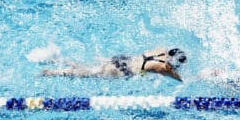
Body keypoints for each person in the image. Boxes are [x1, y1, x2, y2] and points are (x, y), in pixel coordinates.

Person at [41, 47, 187, 81]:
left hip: (121, 59)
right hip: (121, 71)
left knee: (88, 67)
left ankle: (57, 59)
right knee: (86, 73)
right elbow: (182, 81)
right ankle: (51, 72)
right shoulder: (163, 67)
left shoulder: (161, 50)